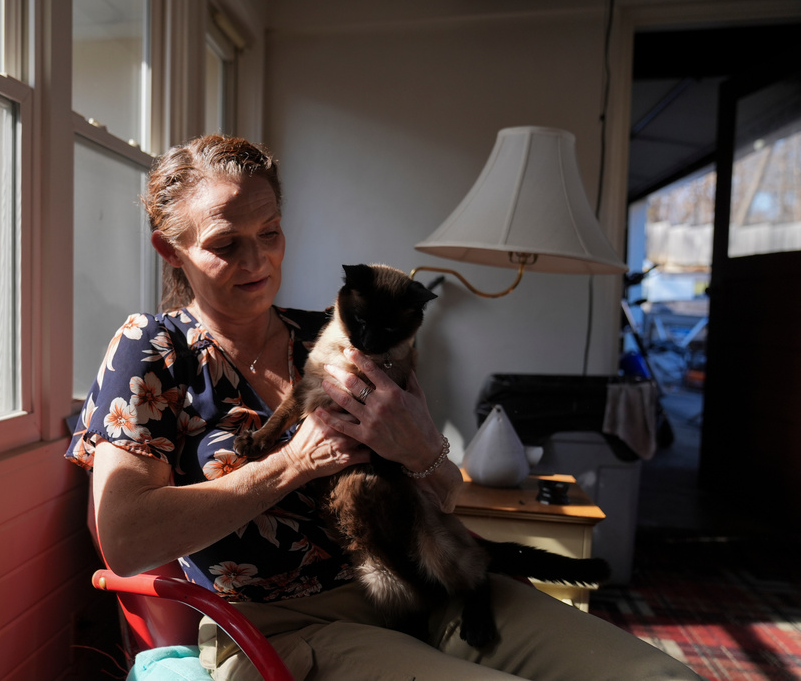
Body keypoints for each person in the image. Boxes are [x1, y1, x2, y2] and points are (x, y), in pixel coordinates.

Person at [65, 135, 703, 680]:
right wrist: (292, 464)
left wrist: (423, 450)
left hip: (424, 583)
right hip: (281, 625)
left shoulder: (340, 332)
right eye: (226, 244)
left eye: (271, 232)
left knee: (656, 673)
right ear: (169, 250)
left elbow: (445, 493)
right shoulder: (154, 348)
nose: (257, 260)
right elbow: (123, 540)